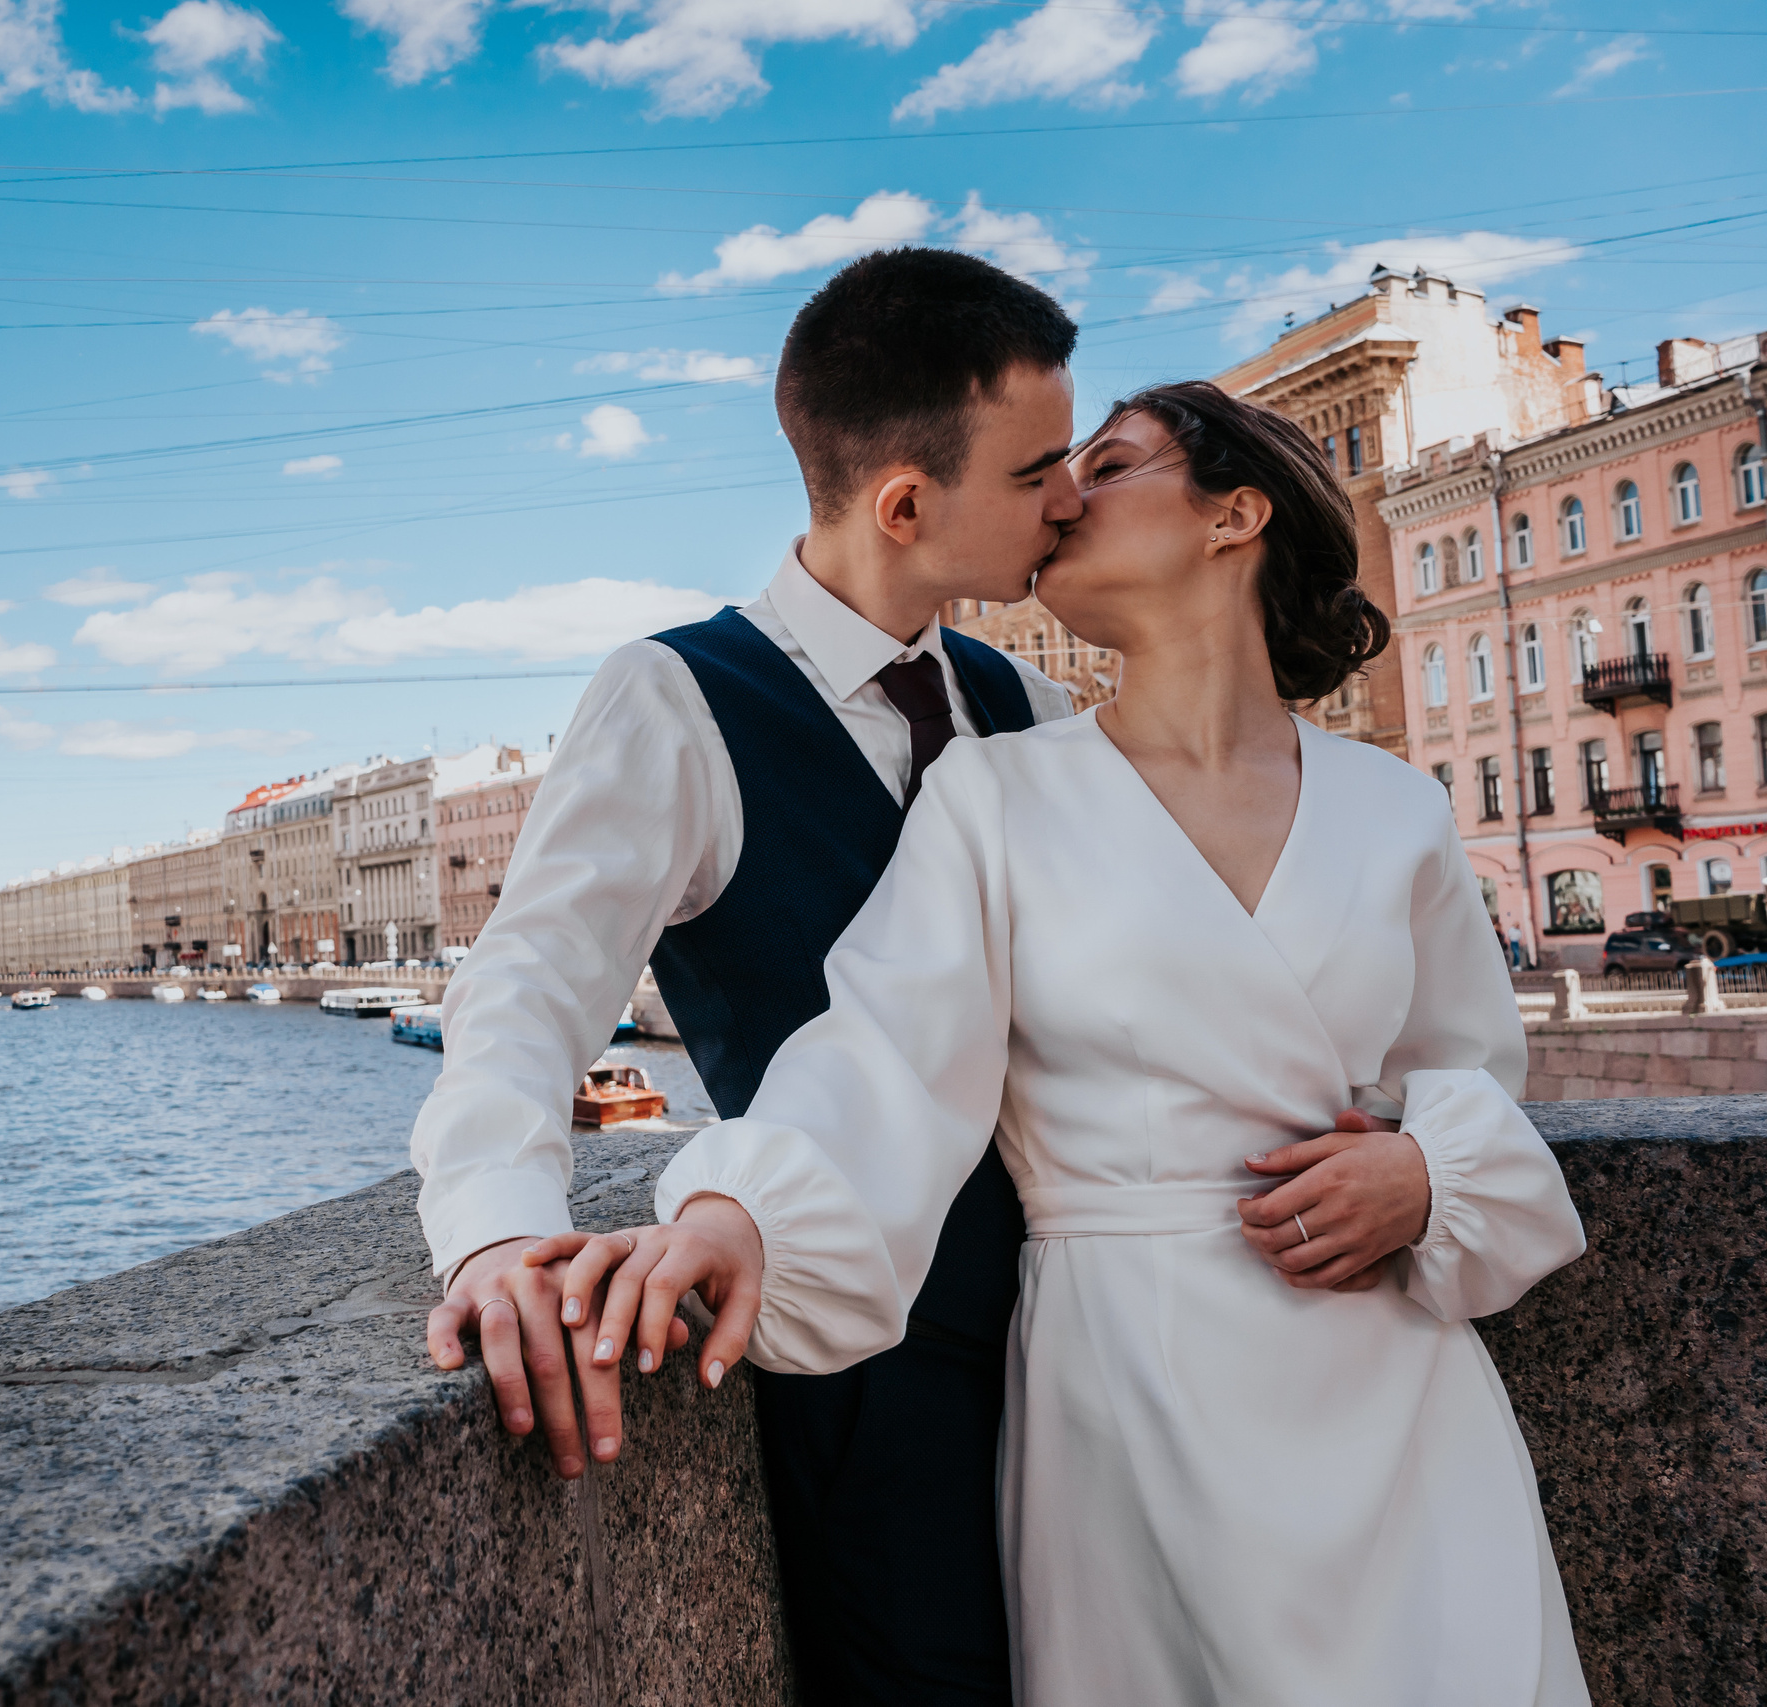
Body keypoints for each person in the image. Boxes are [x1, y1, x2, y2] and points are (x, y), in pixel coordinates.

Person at [411, 257, 1438, 1704]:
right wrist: (498, 1234)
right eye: (1039, 473)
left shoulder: (1021, 707)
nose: (1071, 498)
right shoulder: (677, 696)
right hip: (869, 1373)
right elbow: (525, 995)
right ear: (906, 505)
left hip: (1102, 1342)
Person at [547, 381, 1590, 1705]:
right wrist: (735, 1215)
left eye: (1108, 463)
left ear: (1236, 513)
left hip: (1392, 1386)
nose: (1060, 498)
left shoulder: (1398, 811)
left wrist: (1428, 1177)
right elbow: (885, 1055)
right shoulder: (995, 795)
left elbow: (1474, 1076)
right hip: (1131, 1390)